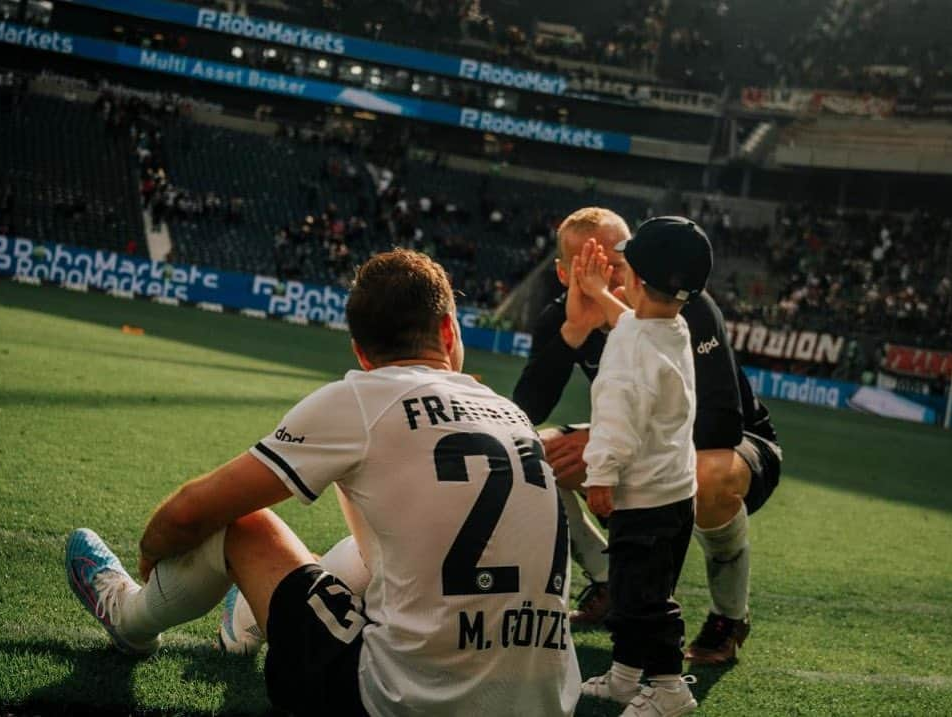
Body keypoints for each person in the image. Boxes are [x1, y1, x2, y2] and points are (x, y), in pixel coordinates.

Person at [66, 248, 581, 716]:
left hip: (398, 704)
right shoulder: (510, 414)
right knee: (392, 543)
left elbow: (190, 513)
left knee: (240, 524)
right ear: (449, 331)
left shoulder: (363, 397)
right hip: (545, 703)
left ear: (361, 352)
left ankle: (130, 618)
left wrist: (154, 546)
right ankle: (244, 623)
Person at [513, 207, 783, 665]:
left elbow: (719, 425)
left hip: (734, 446)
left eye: (617, 261)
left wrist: (606, 444)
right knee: (528, 452)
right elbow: (525, 412)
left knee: (708, 474)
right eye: (590, 266)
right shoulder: (561, 317)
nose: (611, 276)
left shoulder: (686, 307)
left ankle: (729, 616)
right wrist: (574, 332)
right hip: (644, 441)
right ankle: (607, 580)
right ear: (565, 273)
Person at [570, 218, 711, 717]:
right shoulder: (671, 327)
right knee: (647, 590)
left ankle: (671, 689)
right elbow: (632, 321)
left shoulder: (629, 351)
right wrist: (597, 293)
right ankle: (627, 676)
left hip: (643, 501)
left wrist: (600, 476)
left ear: (635, 280)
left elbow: (615, 420)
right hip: (676, 496)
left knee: (640, 601)